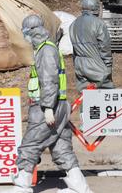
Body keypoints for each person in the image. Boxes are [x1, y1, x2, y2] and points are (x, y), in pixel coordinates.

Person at [9, 15, 93, 193]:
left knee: (30, 144)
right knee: (61, 147)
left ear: (33, 32)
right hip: (60, 105)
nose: (25, 38)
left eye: (26, 33)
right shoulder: (47, 48)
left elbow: (49, 80)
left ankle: (21, 186)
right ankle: (80, 187)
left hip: (47, 107)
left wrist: (47, 108)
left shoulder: (45, 51)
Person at [69, 0, 114, 92]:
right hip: (96, 64)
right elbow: (104, 47)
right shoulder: (98, 23)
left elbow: (74, 49)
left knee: (85, 96)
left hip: (79, 64)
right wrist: (108, 65)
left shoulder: (73, 24)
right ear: (96, 7)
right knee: (105, 93)